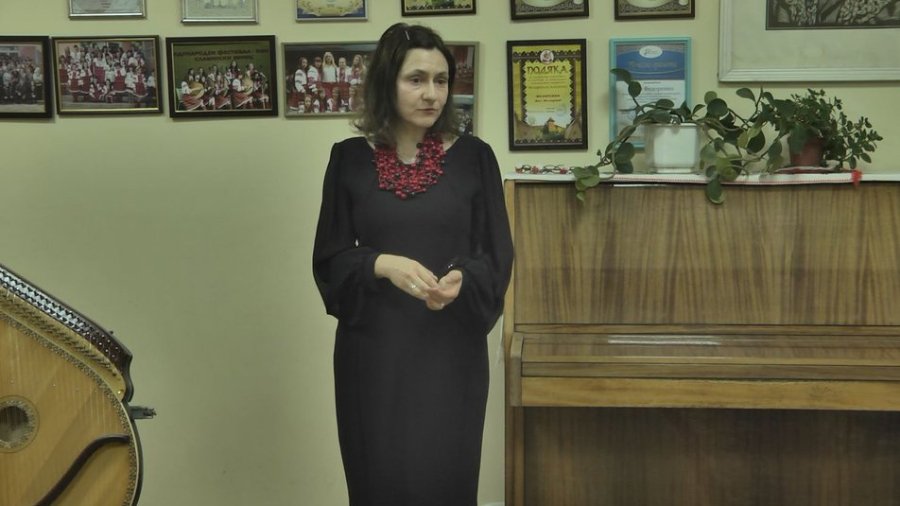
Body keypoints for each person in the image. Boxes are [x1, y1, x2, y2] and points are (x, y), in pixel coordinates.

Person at [312, 22, 514, 506]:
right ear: (387, 82)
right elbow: (329, 260)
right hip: (374, 356)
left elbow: (496, 255)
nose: (432, 94)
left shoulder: (475, 158)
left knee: (445, 478)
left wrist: (463, 278)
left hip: (450, 352)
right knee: (379, 481)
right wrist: (381, 264)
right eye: (416, 79)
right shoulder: (349, 160)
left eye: (441, 80)